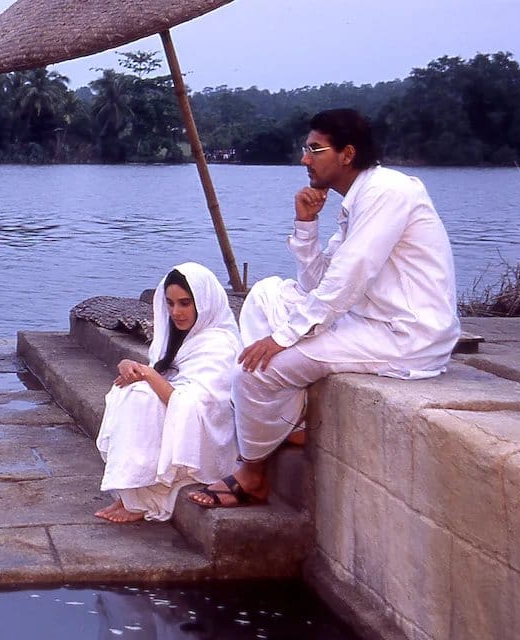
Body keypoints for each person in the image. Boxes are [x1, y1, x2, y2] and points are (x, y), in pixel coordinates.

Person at [189, 108, 461, 509]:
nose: (304, 159)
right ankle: (290, 420)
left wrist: (282, 338)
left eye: (314, 150)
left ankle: (252, 474)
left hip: (404, 334)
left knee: (253, 374)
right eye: (306, 149)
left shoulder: (388, 192)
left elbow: (347, 278)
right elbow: (317, 283)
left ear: (347, 154)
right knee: (266, 293)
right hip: (367, 320)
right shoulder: (360, 199)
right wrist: (306, 226)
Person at [95, 262, 242, 523]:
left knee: (141, 396)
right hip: (183, 419)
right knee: (128, 392)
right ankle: (132, 494)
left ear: (203, 302)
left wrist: (148, 375)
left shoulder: (220, 345)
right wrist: (130, 366)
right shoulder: (181, 337)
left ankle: (139, 499)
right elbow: (163, 377)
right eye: (170, 303)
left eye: (185, 303)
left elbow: (196, 406)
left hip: (209, 438)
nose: (176, 312)